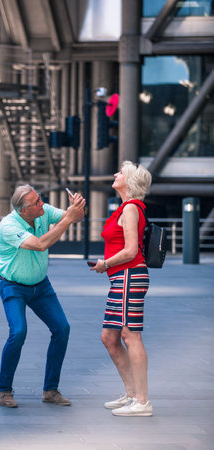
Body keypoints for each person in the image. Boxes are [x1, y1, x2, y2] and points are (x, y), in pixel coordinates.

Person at [0, 185, 85, 408]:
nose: (41, 203)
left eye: (40, 199)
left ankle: (50, 390)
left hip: (40, 285)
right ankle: (4, 391)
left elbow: (73, 217)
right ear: (24, 210)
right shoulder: (9, 225)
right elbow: (40, 244)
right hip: (12, 285)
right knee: (18, 332)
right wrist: (67, 220)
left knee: (62, 328)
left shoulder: (42, 210)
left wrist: (77, 207)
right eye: (36, 202)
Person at [89, 161, 153, 417]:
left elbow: (130, 250)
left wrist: (105, 264)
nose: (116, 174)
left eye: (121, 173)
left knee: (130, 335)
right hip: (121, 277)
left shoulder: (130, 209)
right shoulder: (125, 208)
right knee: (110, 337)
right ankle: (132, 394)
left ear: (130, 181)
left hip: (129, 275)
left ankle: (143, 401)